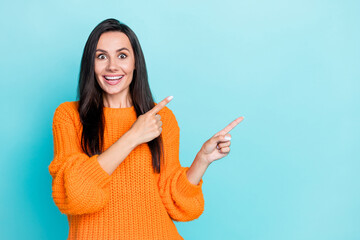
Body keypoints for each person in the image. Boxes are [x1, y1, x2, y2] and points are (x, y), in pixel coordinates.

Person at [49, 18, 243, 240]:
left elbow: (178, 205)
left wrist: (202, 160)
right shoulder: (69, 116)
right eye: (101, 56)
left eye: (122, 55)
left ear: (135, 63)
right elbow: (75, 196)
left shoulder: (161, 119)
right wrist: (133, 136)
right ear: (90, 65)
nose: (112, 66)